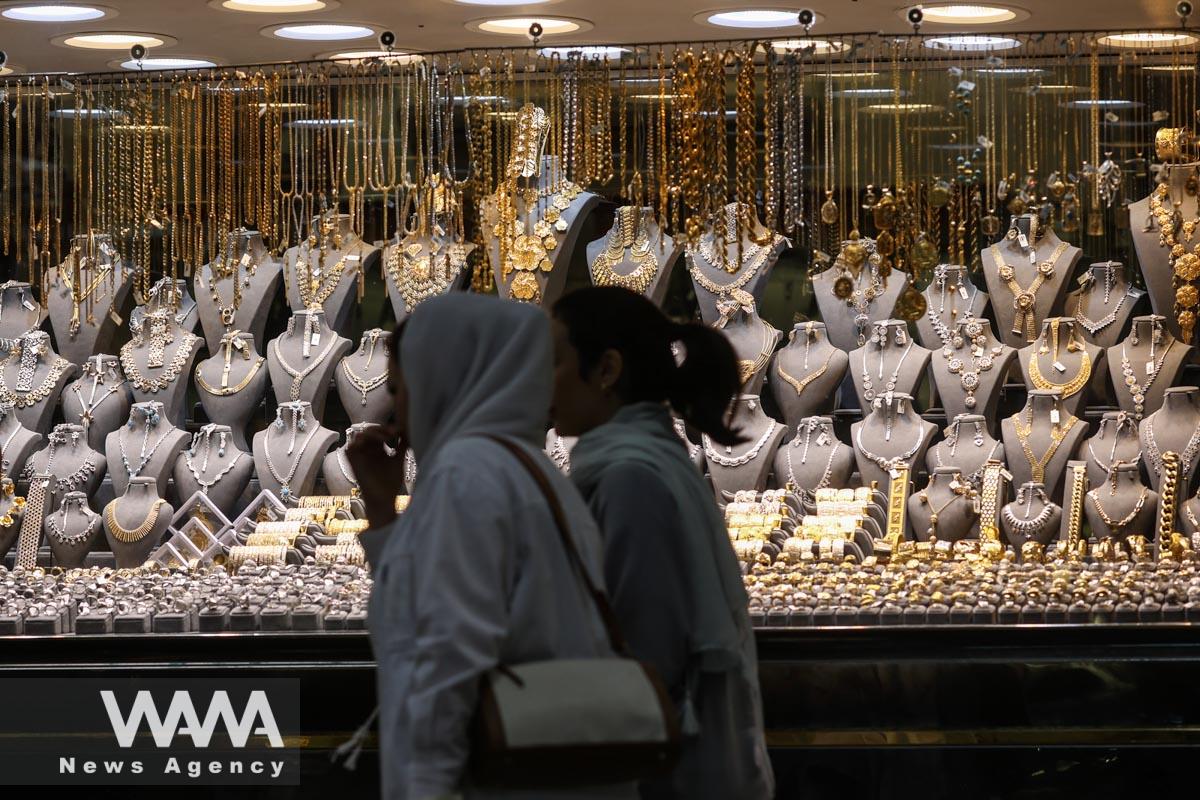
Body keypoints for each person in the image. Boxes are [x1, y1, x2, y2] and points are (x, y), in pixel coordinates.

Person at [349, 293, 636, 800]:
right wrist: (381, 510)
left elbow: (441, 669)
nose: (397, 411)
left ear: (444, 379)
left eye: (402, 387)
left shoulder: (466, 476)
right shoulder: (527, 468)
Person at [550, 286, 774, 800]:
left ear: (606, 370)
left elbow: (646, 654)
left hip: (667, 777)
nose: (541, 382)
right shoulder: (645, 463)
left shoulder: (631, 478)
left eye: (552, 362)